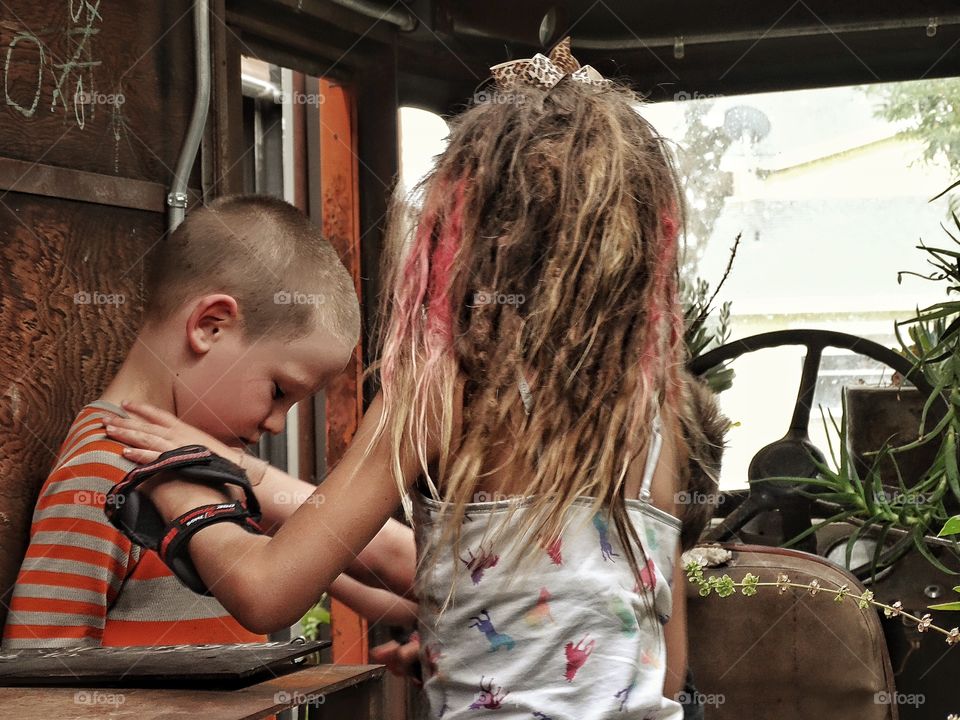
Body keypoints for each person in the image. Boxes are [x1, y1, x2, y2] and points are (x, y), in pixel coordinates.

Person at [106, 39, 710, 717]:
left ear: (462, 232)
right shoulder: (653, 418)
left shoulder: (444, 385)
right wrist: (494, 653)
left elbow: (266, 591)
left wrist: (179, 479)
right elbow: (661, 666)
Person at [2, 195, 416, 649]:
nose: (277, 424)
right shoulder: (105, 471)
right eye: (279, 391)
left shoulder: (208, 468)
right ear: (210, 325)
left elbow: (393, 590)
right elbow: (42, 669)